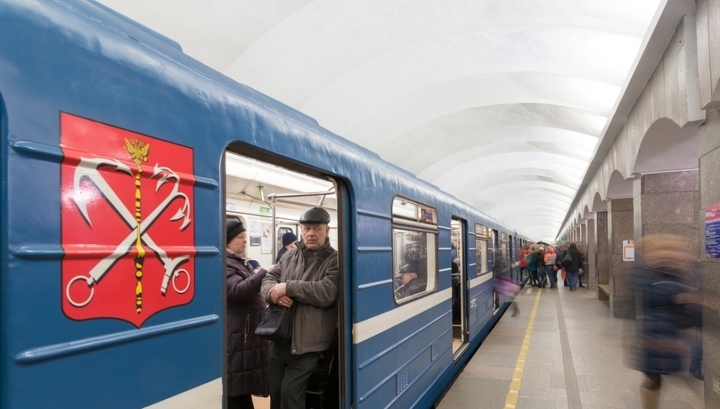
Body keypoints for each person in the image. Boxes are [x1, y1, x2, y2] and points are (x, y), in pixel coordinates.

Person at [261, 207, 338, 409]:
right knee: (276, 391)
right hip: (282, 336)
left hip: (309, 342)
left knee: (290, 393)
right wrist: (273, 294)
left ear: (327, 230)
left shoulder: (335, 260)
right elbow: (269, 278)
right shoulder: (290, 256)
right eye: (306, 228)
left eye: (317, 229)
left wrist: (290, 287)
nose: (311, 233)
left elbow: (327, 292)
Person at [630, 234, 700, 409]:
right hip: (657, 338)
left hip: (662, 337)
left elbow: (686, 317)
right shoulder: (658, 279)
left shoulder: (671, 278)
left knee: (653, 380)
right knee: (653, 380)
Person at [225, 220, 271, 409]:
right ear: (228, 241)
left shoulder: (239, 262)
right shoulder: (226, 264)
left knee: (242, 385)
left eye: (245, 236)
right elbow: (237, 290)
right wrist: (264, 273)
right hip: (237, 335)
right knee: (235, 385)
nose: (245, 240)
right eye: (240, 237)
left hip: (244, 335)